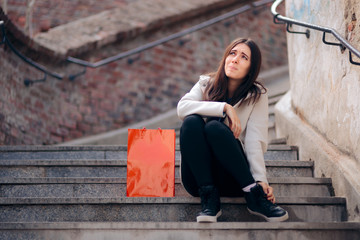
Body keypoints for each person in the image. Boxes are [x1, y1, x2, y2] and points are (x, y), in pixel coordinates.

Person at [177, 37, 289, 223]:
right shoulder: (206, 83)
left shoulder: (257, 96)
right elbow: (182, 107)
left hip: (234, 178)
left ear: (251, 68)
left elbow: (255, 141)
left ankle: (254, 197)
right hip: (197, 179)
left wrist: (261, 181)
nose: (235, 59)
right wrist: (224, 108)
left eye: (244, 57)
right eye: (232, 53)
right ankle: (209, 200)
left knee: (214, 128)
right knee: (191, 122)